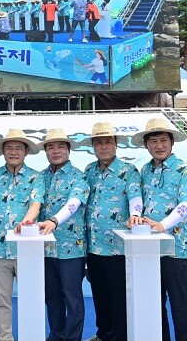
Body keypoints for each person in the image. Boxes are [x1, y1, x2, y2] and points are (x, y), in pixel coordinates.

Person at [131, 118, 187, 341]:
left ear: (172, 143)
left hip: (175, 247)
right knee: (153, 302)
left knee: (180, 304)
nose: (158, 145)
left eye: (163, 140)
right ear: (146, 145)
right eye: (153, 141)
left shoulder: (185, 170)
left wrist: (163, 225)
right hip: (147, 247)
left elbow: (186, 204)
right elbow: (138, 200)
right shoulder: (145, 170)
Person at [81, 122, 143, 341]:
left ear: (116, 144)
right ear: (93, 146)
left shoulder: (128, 170)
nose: (104, 146)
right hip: (93, 245)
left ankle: (121, 336)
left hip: (117, 247)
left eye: (108, 142)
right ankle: (103, 334)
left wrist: (135, 213)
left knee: (119, 297)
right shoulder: (89, 170)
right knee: (99, 294)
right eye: (99, 142)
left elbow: (135, 196)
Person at [0, 129, 45, 341]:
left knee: (31, 299)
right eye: (9, 148)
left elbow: (36, 204)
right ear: (3, 151)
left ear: (26, 151)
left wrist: (25, 223)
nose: (13, 152)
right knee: (2, 301)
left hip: (27, 250)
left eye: (18, 148)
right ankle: (5, 338)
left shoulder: (36, 177)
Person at [35, 128, 89, 341]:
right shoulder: (40, 177)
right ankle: (56, 334)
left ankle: (72, 338)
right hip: (45, 247)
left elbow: (74, 203)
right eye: (51, 147)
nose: (55, 151)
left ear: (68, 150)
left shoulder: (78, 176)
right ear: (46, 151)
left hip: (71, 247)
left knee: (72, 297)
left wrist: (55, 221)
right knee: (52, 296)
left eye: (60, 147)